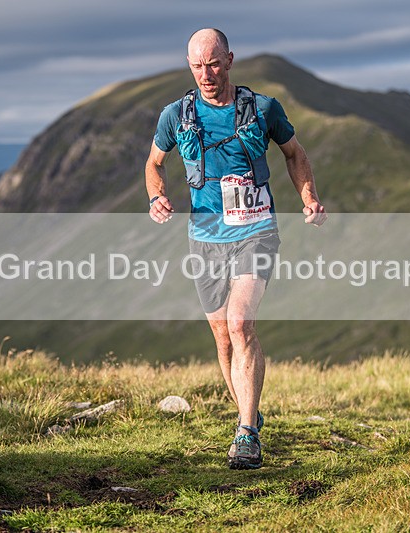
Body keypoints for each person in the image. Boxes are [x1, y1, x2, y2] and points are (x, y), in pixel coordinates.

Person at [145, 28, 326, 469]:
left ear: (229, 59)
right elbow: (154, 164)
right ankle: (249, 411)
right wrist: (156, 197)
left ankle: (246, 434)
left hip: (256, 231)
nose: (205, 74)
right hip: (204, 239)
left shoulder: (263, 109)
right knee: (223, 337)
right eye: (196, 66)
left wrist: (308, 198)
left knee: (241, 322)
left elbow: (294, 153)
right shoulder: (176, 115)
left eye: (212, 63)